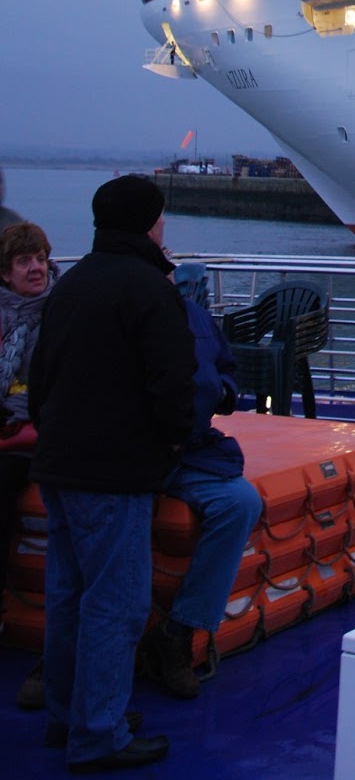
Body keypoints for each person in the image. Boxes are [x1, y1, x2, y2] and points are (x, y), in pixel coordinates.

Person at [29, 175, 195, 772]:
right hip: (115, 471)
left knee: (68, 595)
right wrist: (173, 439)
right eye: (160, 218)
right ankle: (98, 734)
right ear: (148, 223)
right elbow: (174, 382)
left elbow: (40, 375)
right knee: (116, 604)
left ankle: (66, 715)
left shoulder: (70, 284)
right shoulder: (149, 288)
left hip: (60, 464)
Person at [139, 267, 262, 699]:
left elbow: (226, 369)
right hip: (131, 454)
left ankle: (179, 631)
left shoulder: (196, 319)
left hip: (190, 449)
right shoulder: (117, 316)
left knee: (240, 502)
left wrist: (225, 392)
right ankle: (64, 654)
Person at [0, 222, 58, 709]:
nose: (35, 268)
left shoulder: (60, 313)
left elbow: (45, 390)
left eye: (39, 258)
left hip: (38, 437)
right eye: (24, 261)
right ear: (6, 272)